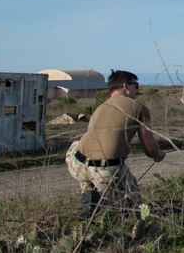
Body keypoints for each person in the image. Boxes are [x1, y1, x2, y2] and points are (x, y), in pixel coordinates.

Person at [65, 70, 165, 219]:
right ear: (126, 86)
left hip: (76, 164)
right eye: (136, 86)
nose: (137, 90)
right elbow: (149, 148)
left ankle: (90, 194)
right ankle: (129, 215)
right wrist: (158, 155)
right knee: (135, 198)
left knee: (77, 145)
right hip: (105, 170)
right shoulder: (138, 107)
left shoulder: (100, 107)